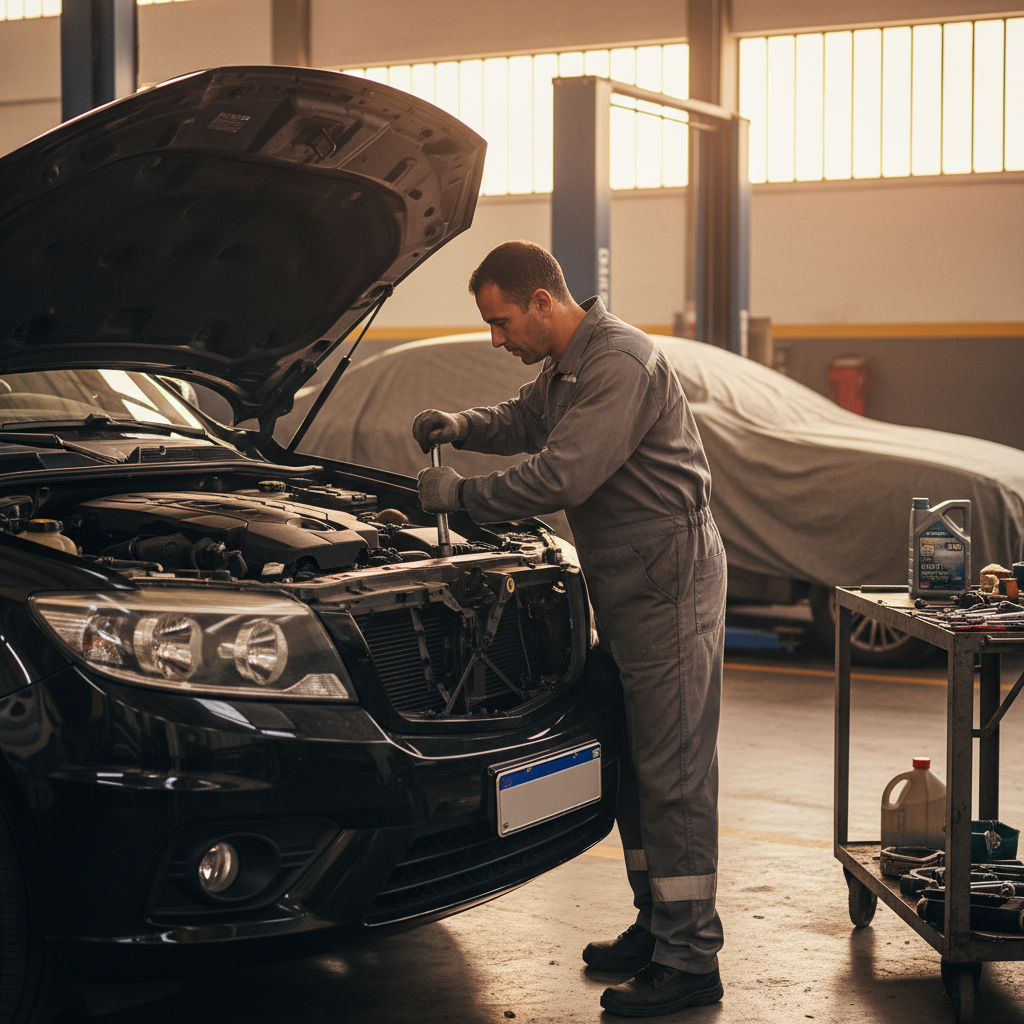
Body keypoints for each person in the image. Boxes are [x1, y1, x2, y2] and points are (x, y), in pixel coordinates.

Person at [412, 240, 726, 1018]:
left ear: (544, 302)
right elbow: (526, 420)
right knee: (631, 763)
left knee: (675, 774)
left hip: (667, 583)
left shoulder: (619, 360)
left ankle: (691, 960)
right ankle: (657, 925)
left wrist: (459, 496)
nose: (497, 338)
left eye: (501, 321)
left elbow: (563, 474)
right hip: (625, 585)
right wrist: (462, 423)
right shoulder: (567, 365)